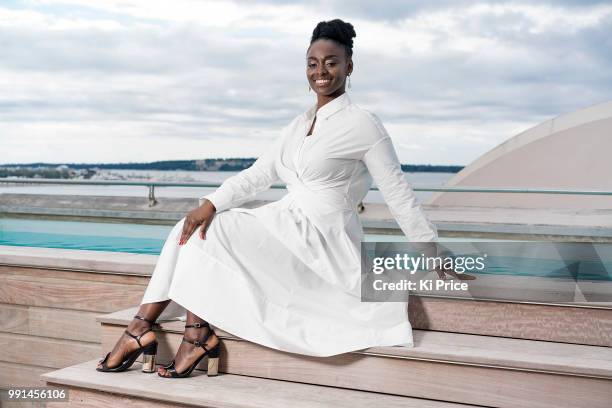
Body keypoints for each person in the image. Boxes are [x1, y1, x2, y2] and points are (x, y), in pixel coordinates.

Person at [96, 18, 440, 378]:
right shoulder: (298, 124)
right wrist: (209, 204)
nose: (320, 71)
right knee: (197, 225)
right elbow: (259, 175)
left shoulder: (364, 124)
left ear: (349, 67)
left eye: (331, 62)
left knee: (215, 231)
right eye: (312, 63)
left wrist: (429, 246)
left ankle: (165, 334)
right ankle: (151, 329)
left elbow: (398, 191)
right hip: (287, 222)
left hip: (324, 237)